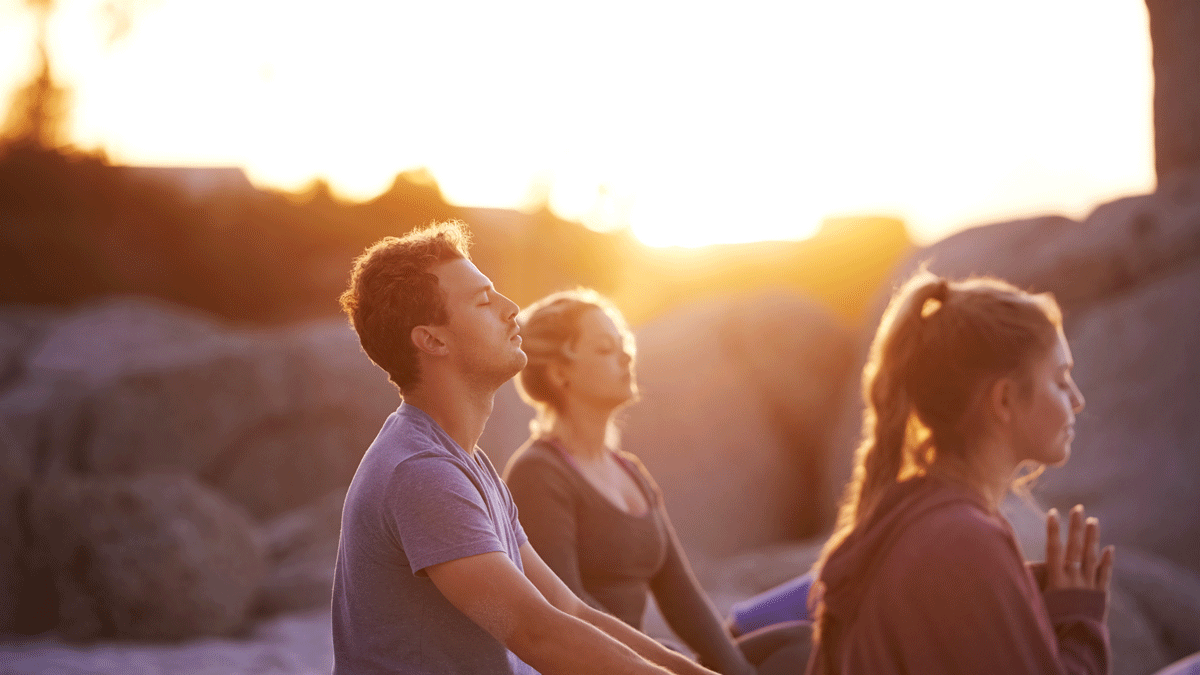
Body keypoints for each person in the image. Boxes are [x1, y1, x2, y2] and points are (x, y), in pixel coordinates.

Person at [332, 221, 722, 675]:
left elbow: (569, 611)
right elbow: (535, 633)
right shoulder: (421, 472)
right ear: (432, 340)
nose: (512, 308)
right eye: (483, 301)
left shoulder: (468, 464)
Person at [806, 268, 1114, 675]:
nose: (1077, 400)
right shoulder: (963, 541)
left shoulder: (913, 520)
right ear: (1004, 399)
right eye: (1060, 380)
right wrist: (1080, 621)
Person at [503, 289, 811, 675]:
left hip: (652, 659)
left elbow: (683, 599)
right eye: (604, 349)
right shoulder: (539, 473)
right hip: (600, 665)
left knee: (801, 644)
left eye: (624, 344)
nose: (626, 356)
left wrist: (733, 670)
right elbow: (566, 608)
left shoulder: (630, 471)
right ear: (559, 372)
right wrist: (665, 663)